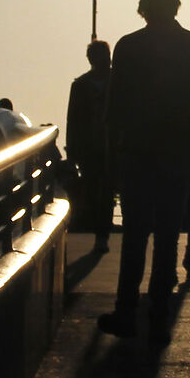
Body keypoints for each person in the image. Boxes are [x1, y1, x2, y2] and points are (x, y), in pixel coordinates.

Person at [102, 0, 190, 336]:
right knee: (169, 232)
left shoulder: (128, 46)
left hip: (138, 149)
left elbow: (115, 109)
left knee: (135, 231)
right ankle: (159, 309)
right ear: (175, 6)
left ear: (144, 9)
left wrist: (112, 154)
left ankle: (126, 309)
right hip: (180, 148)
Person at [66, 42, 114, 251]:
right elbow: (73, 119)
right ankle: (99, 230)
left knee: (107, 190)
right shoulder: (80, 85)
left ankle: (102, 234)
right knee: (95, 191)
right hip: (89, 146)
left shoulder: (119, 82)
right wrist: (72, 148)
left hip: (112, 146)